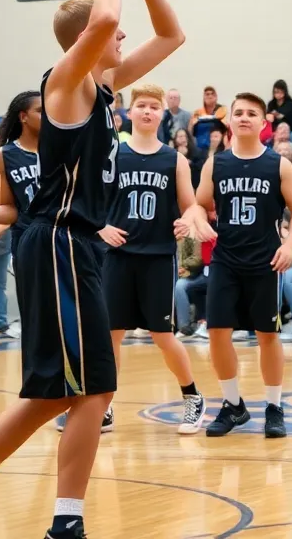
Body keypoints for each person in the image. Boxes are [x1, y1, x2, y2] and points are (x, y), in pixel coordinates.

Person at [0, 0, 184, 539]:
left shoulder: (103, 88)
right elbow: (107, 15)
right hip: (59, 242)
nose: (122, 36)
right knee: (93, 387)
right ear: (89, 37)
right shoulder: (63, 84)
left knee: (57, 391)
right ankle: (65, 522)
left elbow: (172, 36)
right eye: (112, 33)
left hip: (71, 247)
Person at [187, 92, 292, 440]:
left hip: (265, 260)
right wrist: (197, 219)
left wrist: (289, 244)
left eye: (251, 113)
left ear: (263, 123)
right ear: (229, 121)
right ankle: (233, 404)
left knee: (267, 335)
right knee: (217, 332)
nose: (243, 117)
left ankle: (274, 406)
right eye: (237, 112)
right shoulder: (216, 164)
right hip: (225, 259)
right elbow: (198, 203)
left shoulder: (277, 164)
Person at [98, 84, 206, 434]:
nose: (147, 111)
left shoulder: (174, 159)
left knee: (162, 335)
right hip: (118, 256)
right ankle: (104, 405)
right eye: (141, 105)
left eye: (153, 106)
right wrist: (101, 228)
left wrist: (187, 219)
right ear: (129, 113)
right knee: (111, 335)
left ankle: (192, 396)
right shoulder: (114, 154)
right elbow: (93, 203)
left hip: (158, 257)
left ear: (163, 114)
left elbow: (190, 204)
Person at [0, 89, 42, 339]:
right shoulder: (3, 156)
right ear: (23, 117)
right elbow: (9, 207)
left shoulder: (63, 150)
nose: (48, 116)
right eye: (40, 111)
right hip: (27, 241)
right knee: (35, 316)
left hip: (63, 238)